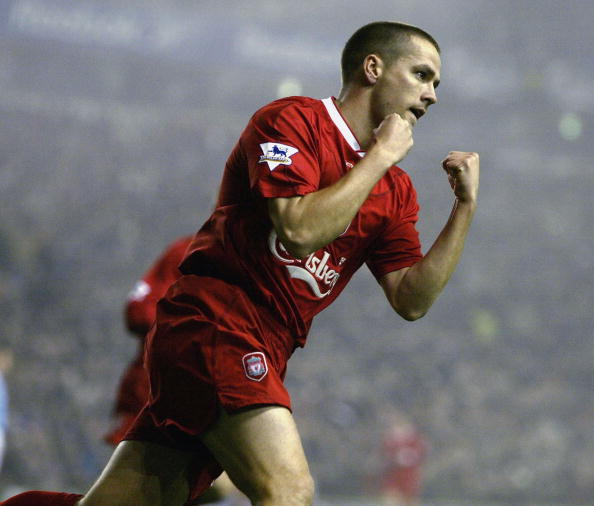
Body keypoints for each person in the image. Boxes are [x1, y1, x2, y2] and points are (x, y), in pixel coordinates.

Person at [1, 20, 480, 506]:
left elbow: (411, 299)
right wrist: (378, 157)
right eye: (422, 75)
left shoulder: (395, 191)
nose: (432, 94)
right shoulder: (293, 121)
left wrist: (463, 208)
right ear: (373, 68)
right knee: (289, 493)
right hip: (216, 323)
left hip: (267, 345)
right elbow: (298, 231)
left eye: (436, 83)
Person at [104, 235, 241, 504]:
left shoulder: (265, 260)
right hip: (159, 391)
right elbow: (138, 310)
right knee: (140, 491)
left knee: (213, 485)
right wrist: (194, 332)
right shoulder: (192, 249)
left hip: (210, 396)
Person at [380, 411, 427, 506]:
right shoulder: (390, 442)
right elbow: (385, 457)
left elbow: (419, 456)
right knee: (391, 498)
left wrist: (407, 457)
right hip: (393, 477)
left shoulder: (415, 442)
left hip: (409, 477)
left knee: (409, 500)